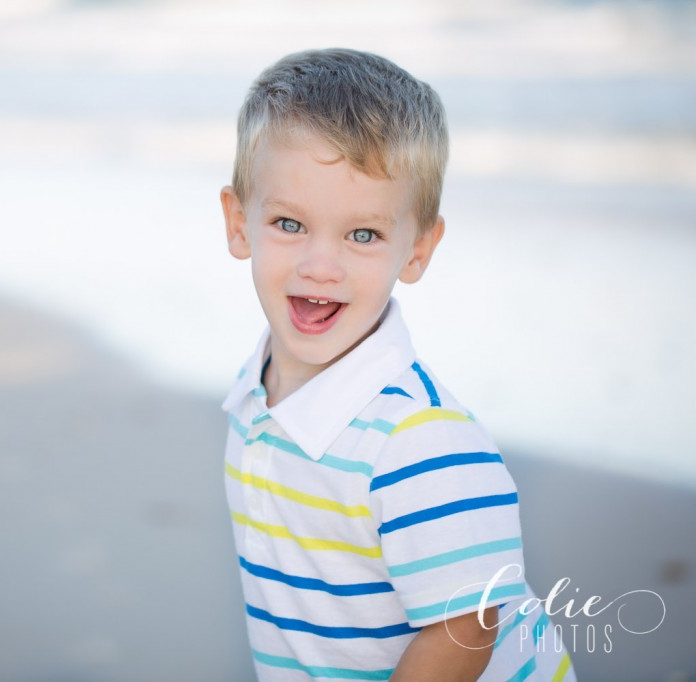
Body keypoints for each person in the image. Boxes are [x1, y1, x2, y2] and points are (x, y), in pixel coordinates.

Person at [219, 49, 575, 681]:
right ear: (238, 223)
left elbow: (467, 626)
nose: (320, 265)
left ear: (418, 249)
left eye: (362, 235)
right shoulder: (254, 393)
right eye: (289, 223)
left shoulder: (419, 439)